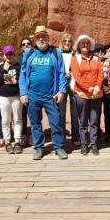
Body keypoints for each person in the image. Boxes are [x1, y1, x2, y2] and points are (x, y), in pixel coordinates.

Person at [19, 25, 68, 160]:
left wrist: (62, 90)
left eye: (43, 36)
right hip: (32, 95)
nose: (41, 38)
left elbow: (61, 73)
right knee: (35, 123)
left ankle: (59, 147)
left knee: (56, 121)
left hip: (51, 95)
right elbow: (22, 75)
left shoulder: (55, 52)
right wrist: (23, 93)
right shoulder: (28, 53)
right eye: (38, 37)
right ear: (34, 39)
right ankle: (39, 148)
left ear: (48, 38)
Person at [71, 35, 104, 156]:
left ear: (90, 45)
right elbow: (77, 77)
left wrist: (97, 86)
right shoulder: (76, 59)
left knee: (94, 120)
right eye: (82, 43)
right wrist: (89, 88)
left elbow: (100, 74)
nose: (85, 45)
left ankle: (94, 143)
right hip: (82, 94)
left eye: (87, 43)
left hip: (96, 94)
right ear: (79, 45)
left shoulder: (96, 58)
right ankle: (84, 144)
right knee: (83, 120)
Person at [0, 46, 22, 154]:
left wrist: (17, 82)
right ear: (3, 55)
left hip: (16, 96)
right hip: (3, 96)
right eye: (7, 54)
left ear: (14, 55)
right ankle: (7, 142)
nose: (9, 56)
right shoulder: (1, 67)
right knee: (6, 120)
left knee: (17, 119)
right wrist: (5, 69)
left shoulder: (18, 66)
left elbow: (22, 80)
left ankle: (17, 142)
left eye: (11, 54)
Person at [58, 33, 79, 145]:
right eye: (65, 41)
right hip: (61, 85)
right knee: (61, 112)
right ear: (62, 42)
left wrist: (72, 73)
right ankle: (61, 138)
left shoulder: (75, 54)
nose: (67, 43)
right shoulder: (57, 53)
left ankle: (76, 138)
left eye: (69, 41)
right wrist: (63, 74)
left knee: (75, 111)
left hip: (73, 84)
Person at [95, 44, 110, 143]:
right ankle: (97, 133)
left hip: (108, 91)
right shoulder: (92, 61)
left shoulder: (109, 61)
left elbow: (108, 75)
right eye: (98, 51)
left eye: (102, 51)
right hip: (97, 92)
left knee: (108, 113)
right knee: (96, 114)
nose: (100, 53)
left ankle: (108, 133)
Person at [18, 38, 32, 146]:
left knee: (33, 114)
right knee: (22, 114)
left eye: (28, 43)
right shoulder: (18, 59)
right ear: (21, 47)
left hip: (33, 90)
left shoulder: (35, 56)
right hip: (21, 90)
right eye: (24, 44)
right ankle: (23, 136)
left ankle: (32, 136)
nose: (26, 45)